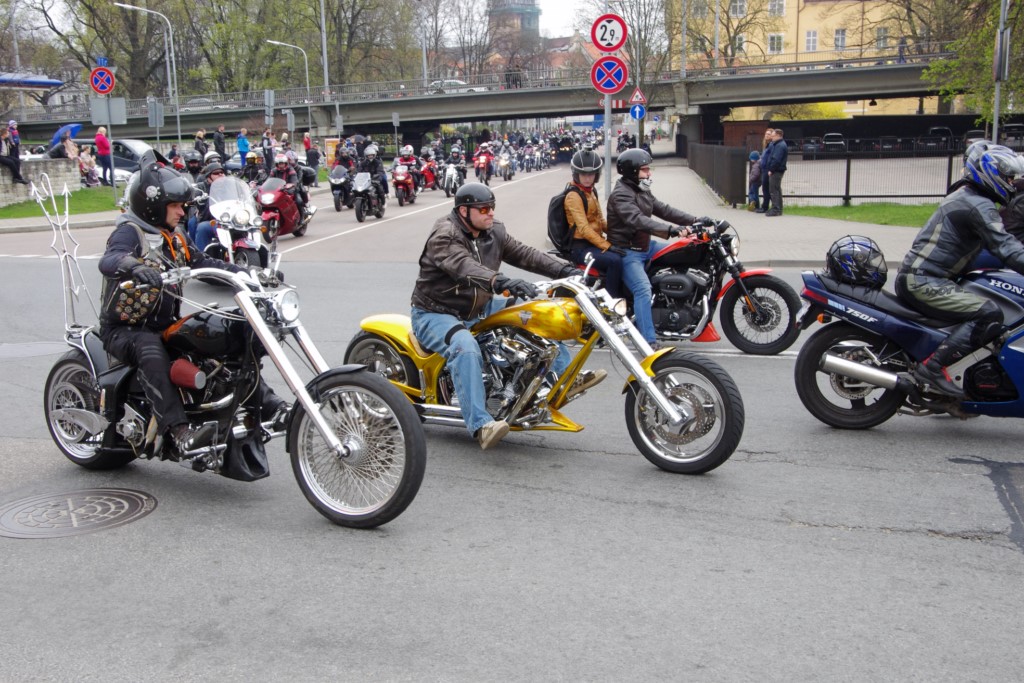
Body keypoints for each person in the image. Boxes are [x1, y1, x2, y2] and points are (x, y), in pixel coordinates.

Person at [97, 151, 288, 453]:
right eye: (174, 206)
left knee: (222, 342)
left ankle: (272, 406)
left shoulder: (176, 236)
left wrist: (251, 274)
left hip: (166, 325)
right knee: (150, 350)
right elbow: (110, 259)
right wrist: (133, 266)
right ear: (152, 206)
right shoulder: (130, 232)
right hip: (125, 329)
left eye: (182, 206)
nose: (181, 212)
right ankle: (178, 431)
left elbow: (204, 262)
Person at [410, 183, 601, 450]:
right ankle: (481, 424)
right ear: (464, 211)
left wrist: (565, 270)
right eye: (484, 209)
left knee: (536, 316)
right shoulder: (445, 235)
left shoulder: (493, 231)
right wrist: (500, 281)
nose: (491, 213)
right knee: (465, 347)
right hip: (437, 312)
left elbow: (525, 254)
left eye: (492, 207)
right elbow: (464, 266)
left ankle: (565, 379)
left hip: (480, 307)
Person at [895, 142, 1024, 397]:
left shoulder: (969, 196)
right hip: (923, 281)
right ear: (991, 175)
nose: (1012, 183)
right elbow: (1006, 247)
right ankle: (933, 368)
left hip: (924, 277)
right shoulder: (978, 205)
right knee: (988, 312)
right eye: (1008, 178)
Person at [606, 148, 704, 346]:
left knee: (684, 251)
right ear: (632, 171)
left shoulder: (640, 190)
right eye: (645, 170)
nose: (649, 173)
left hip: (646, 247)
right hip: (628, 252)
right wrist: (671, 230)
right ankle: (648, 341)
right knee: (643, 290)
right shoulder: (621, 195)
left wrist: (695, 220)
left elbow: (664, 209)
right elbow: (637, 220)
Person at [565, 148, 623, 298]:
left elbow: (601, 221)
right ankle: (611, 302)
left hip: (593, 244)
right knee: (614, 261)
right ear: (576, 174)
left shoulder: (591, 191)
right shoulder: (573, 196)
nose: (587, 178)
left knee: (624, 251)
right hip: (580, 248)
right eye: (583, 174)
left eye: (591, 174)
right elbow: (584, 228)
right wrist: (607, 245)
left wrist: (621, 234)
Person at [191, 162, 226, 250]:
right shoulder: (201, 187)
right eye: (216, 173)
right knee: (199, 226)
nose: (220, 174)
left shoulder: (230, 186)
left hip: (230, 221)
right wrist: (198, 198)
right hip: (210, 219)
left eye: (222, 172)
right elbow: (194, 194)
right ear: (208, 177)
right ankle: (199, 253)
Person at [764, 128, 788, 217]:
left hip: (776, 170)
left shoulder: (780, 146)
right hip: (778, 170)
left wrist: (771, 170)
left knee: (773, 190)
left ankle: (776, 209)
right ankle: (778, 209)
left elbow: (776, 159)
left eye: (773, 136)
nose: (772, 138)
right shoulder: (778, 144)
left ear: (778, 135)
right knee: (777, 189)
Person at [755, 127, 774, 213]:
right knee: (765, 188)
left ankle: (765, 207)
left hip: (767, 169)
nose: (766, 135)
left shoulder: (771, 145)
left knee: (767, 189)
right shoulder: (767, 145)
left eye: (769, 134)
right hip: (764, 168)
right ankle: (765, 206)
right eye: (766, 134)